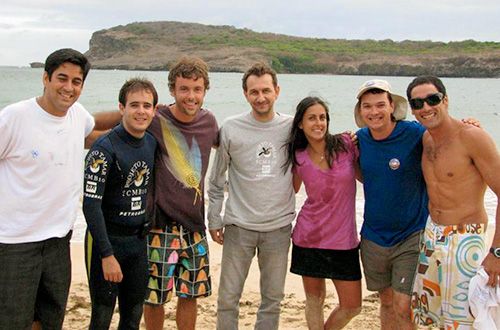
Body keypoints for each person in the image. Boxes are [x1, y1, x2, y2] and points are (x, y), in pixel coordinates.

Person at [0, 48, 116, 329]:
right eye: (61, 78)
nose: (68, 87)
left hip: (59, 239)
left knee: (50, 318)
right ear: (45, 78)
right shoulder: (14, 117)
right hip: (15, 242)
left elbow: (91, 134)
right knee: (13, 321)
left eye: (76, 82)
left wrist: (138, 114)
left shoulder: (76, 114)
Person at [407, 75, 500, 329]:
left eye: (432, 99)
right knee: (428, 315)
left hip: (464, 238)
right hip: (431, 234)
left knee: (463, 319)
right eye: (417, 104)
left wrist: (496, 252)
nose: (425, 108)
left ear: (445, 100)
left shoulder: (472, 137)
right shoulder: (425, 139)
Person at [207, 62, 295, 330]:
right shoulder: (231, 127)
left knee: (272, 299)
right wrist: (214, 218)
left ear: (277, 91)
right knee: (228, 298)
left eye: (266, 90)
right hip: (238, 226)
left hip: (278, 228)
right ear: (245, 94)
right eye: (254, 92)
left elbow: (319, 154)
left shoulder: (292, 128)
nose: (261, 97)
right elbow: (216, 178)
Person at [143, 56, 218, 330]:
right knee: (154, 298)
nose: (191, 96)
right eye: (184, 89)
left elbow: (238, 146)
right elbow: (122, 120)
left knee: (191, 295)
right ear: (172, 89)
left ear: (205, 90)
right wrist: (76, 127)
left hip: (195, 226)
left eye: (197, 89)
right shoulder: (156, 117)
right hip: (159, 226)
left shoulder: (210, 122)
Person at [83, 78, 158, 329]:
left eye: (147, 106)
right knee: (102, 315)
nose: (141, 111)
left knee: (133, 316)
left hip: (137, 243)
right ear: (121, 108)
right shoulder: (104, 149)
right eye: (134, 105)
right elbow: (90, 206)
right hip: (106, 242)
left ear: (154, 111)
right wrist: (107, 255)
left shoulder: (150, 143)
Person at [354, 79, 428, 329]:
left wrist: (470, 125)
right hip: (373, 236)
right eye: (367, 106)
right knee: (385, 302)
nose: (374, 112)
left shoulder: (414, 133)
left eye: (379, 105)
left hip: (411, 233)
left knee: (403, 305)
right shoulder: (359, 140)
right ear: (360, 111)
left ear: (391, 106)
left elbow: (448, 136)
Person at [283, 96, 362, 329]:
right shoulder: (298, 157)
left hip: (343, 240)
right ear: (300, 124)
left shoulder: (347, 144)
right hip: (309, 237)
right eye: (311, 118)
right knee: (315, 300)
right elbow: (288, 191)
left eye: (322, 117)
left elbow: (368, 173)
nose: (318, 123)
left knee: (352, 305)